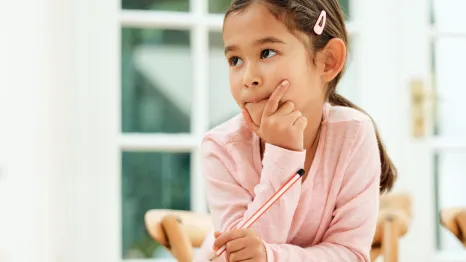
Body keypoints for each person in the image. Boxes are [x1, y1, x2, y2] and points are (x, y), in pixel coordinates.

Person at [196, 0, 397, 261]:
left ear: (328, 61)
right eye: (235, 60)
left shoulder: (354, 135)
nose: (248, 78)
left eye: (267, 53)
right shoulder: (222, 147)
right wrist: (284, 154)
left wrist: (272, 257)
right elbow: (237, 257)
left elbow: (351, 255)